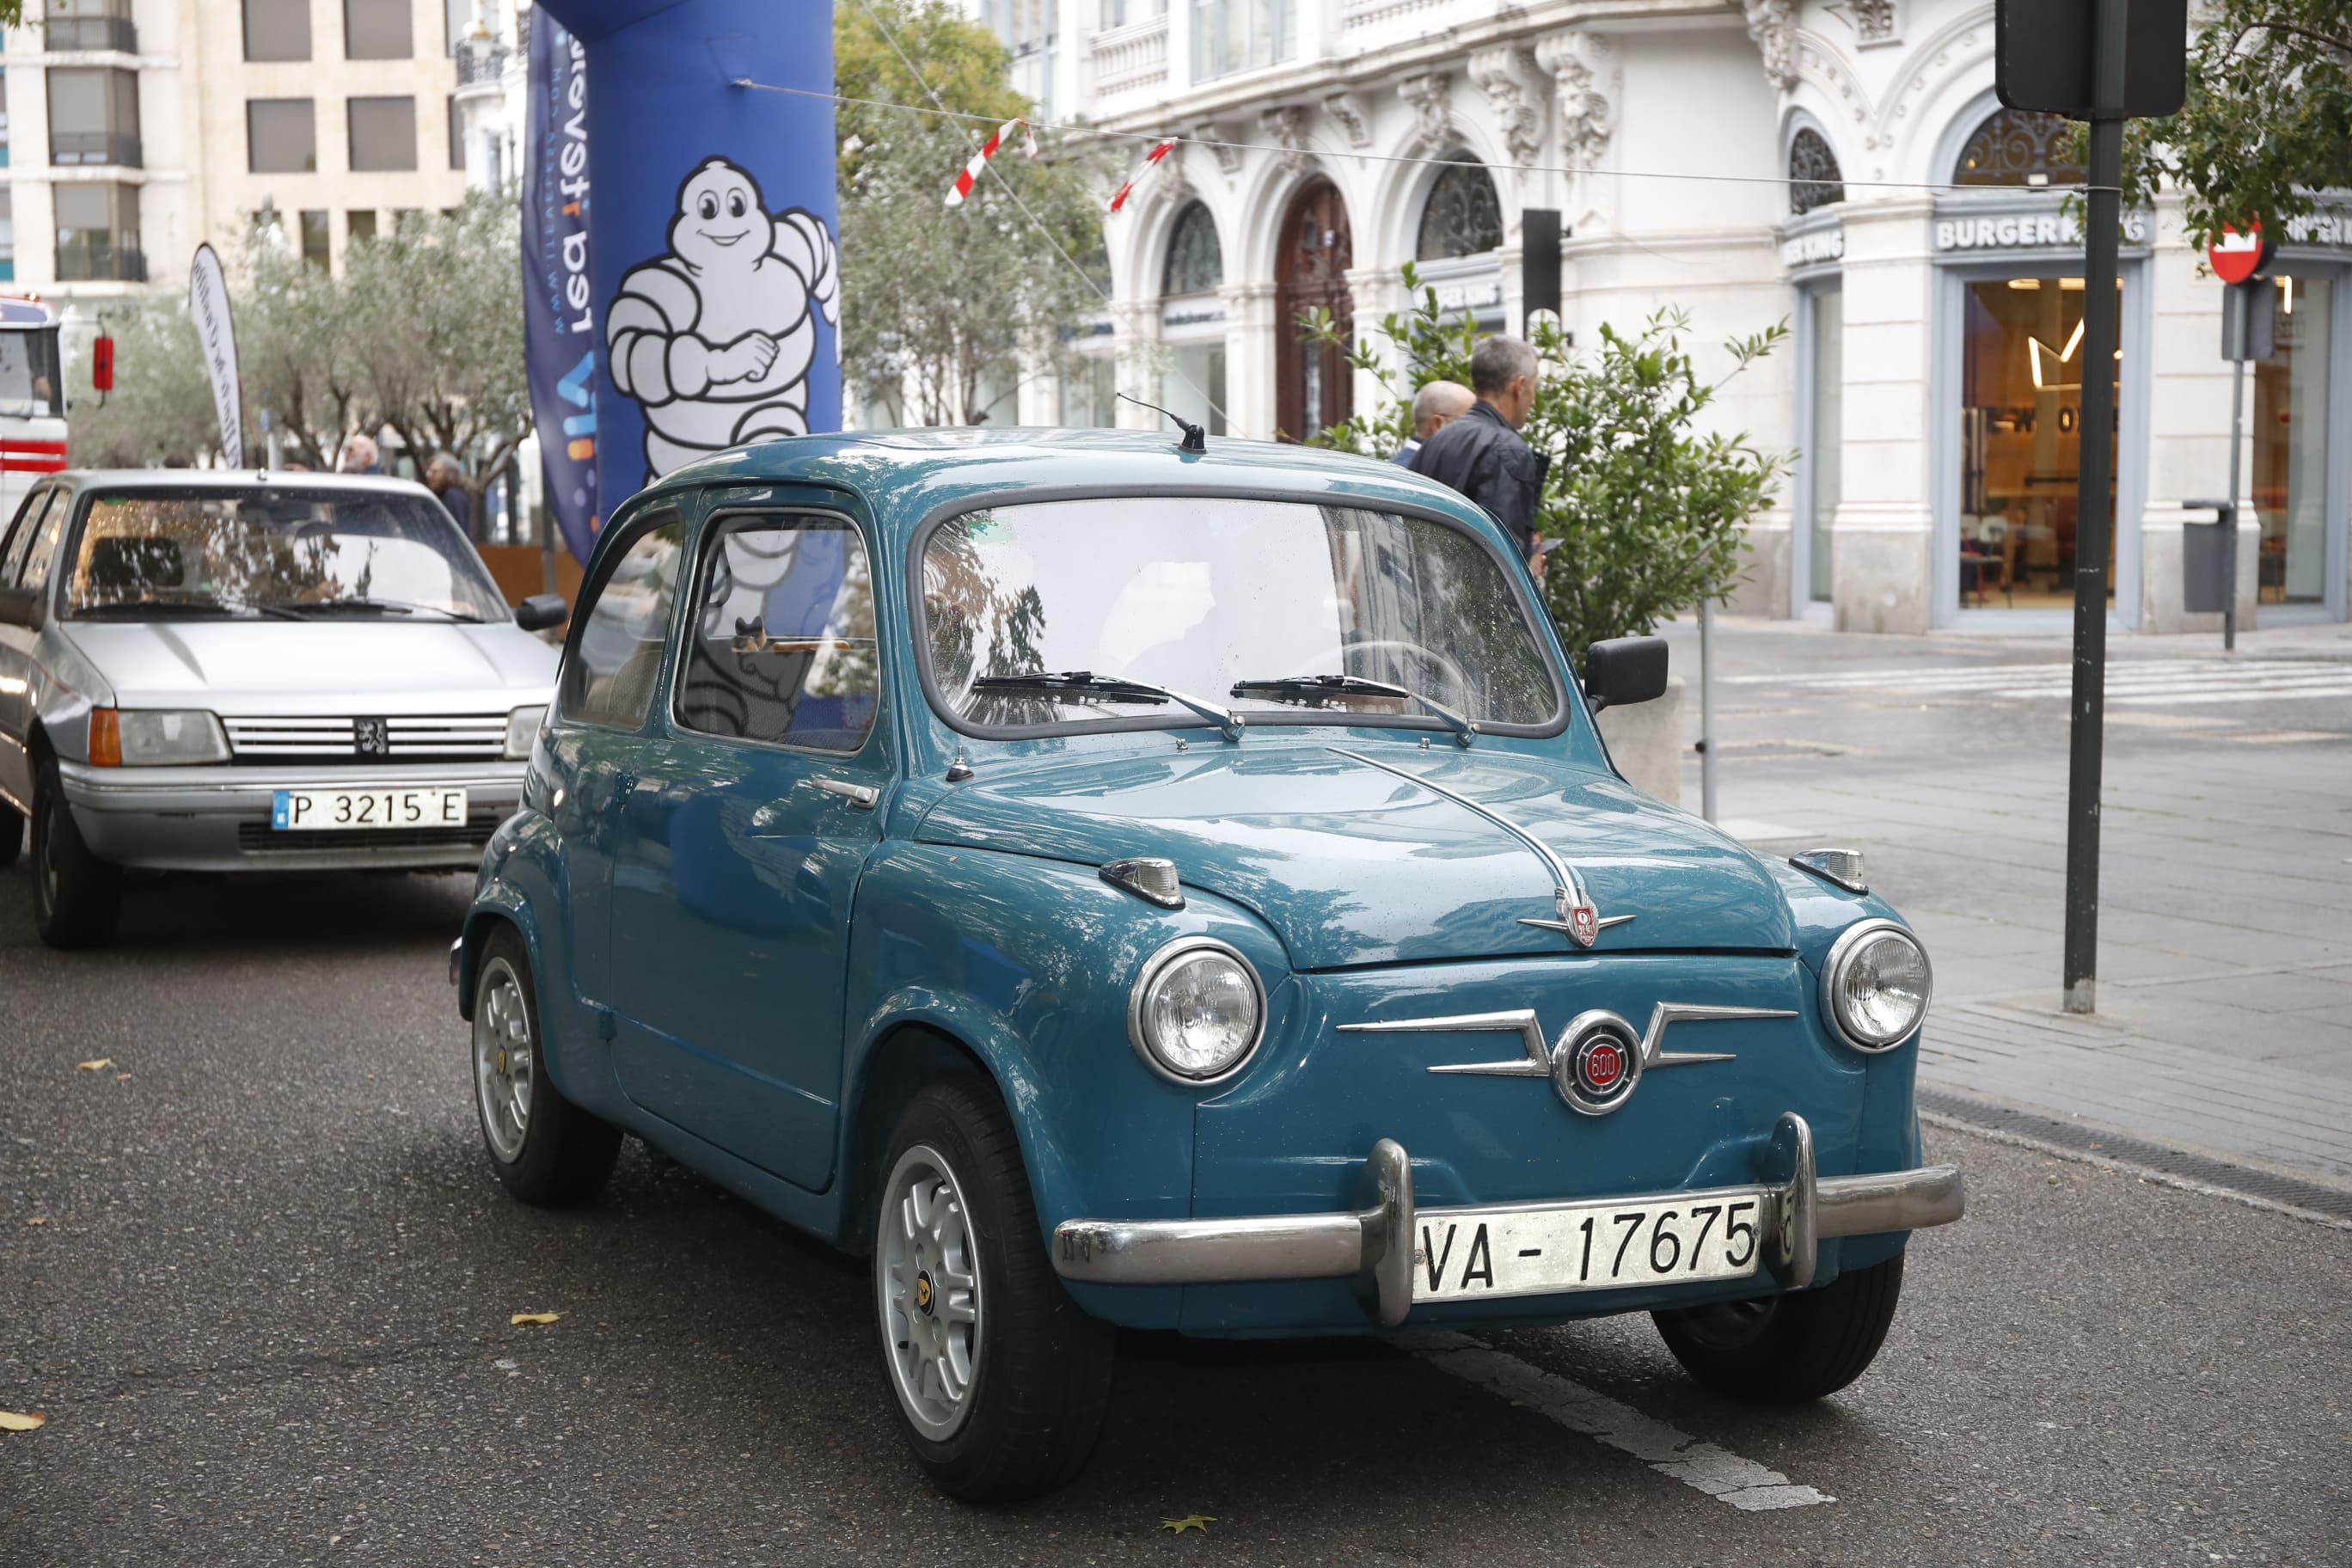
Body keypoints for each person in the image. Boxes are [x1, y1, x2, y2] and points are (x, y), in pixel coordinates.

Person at [1410, 336, 1553, 575]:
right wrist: (1527, 566)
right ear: (1518, 386)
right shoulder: (1508, 450)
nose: (1533, 400)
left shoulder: (1436, 441)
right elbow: (1502, 557)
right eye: (1533, 389)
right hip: (1467, 605)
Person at [1390, 379, 1473, 469]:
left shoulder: (1397, 469)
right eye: (1469, 422)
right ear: (1438, 424)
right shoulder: (1420, 476)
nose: (1476, 431)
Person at [426, 454, 474, 537]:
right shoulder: (448, 495)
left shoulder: (453, 496)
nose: (430, 475)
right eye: (430, 471)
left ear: (448, 474)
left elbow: (456, 533)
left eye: (435, 472)